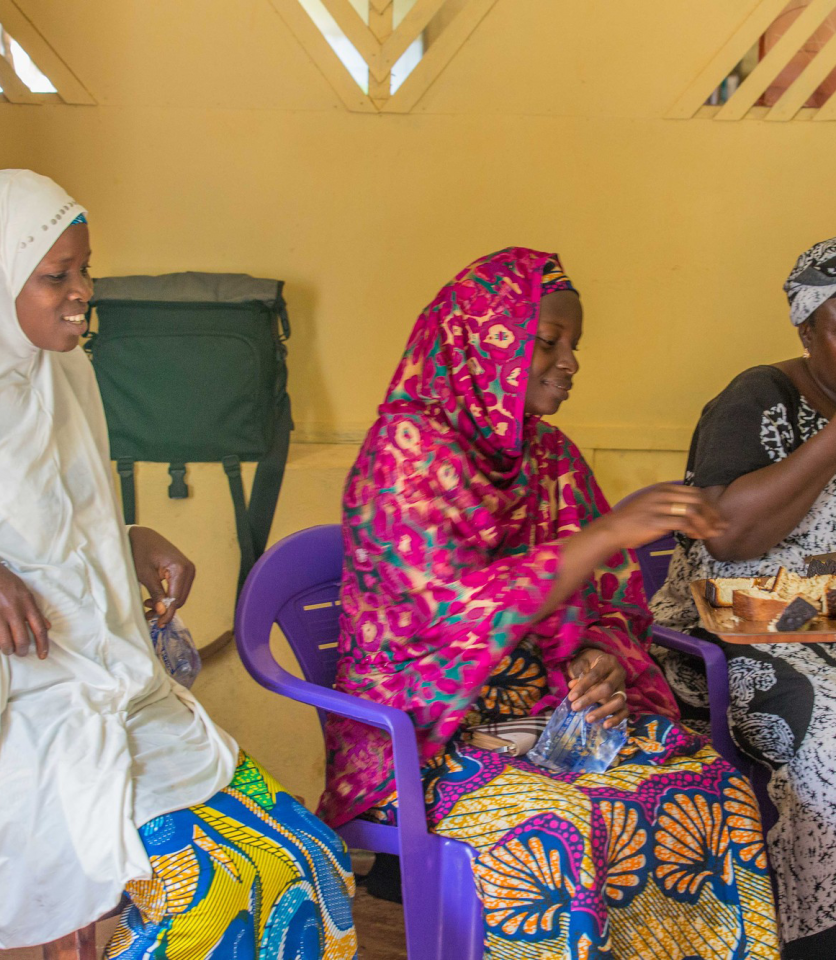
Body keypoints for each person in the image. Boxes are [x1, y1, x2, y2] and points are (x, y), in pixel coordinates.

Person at [0, 170, 355, 954]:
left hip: (92, 681)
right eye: (57, 276)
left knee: (307, 857)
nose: (84, 292)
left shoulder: (63, 376)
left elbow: (53, 533)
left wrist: (128, 537)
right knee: (205, 889)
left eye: (85, 268)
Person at [317, 248, 779, 960]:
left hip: (552, 721)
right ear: (484, 341)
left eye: (574, 346)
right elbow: (446, 615)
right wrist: (608, 532)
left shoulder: (549, 456)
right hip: (429, 741)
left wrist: (604, 657)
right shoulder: (404, 454)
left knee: (712, 790)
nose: (570, 362)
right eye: (548, 343)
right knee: (557, 830)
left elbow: (613, 601)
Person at [648, 237, 836, 960]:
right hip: (738, 631)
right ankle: (833, 945)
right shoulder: (758, 397)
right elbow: (728, 536)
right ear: (808, 332)